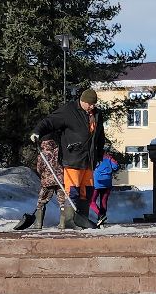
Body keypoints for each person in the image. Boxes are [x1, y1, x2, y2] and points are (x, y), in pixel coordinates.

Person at [20, 88, 104, 230]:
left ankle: (83, 219)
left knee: (87, 191)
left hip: (89, 160)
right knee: (73, 190)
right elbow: (50, 121)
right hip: (73, 158)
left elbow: (100, 135)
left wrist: (100, 154)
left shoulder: (96, 114)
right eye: (90, 104)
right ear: (83, 101)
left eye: (94, 104)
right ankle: (70, 220)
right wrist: (37, 132)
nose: (92, 107)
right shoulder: (69, 111)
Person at [90, 151, 120, 226]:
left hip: (97, 183)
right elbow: (115, 167)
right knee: (103, 201)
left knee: (91, 201)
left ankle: (101, 216)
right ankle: (101, 219)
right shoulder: (109, 158)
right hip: (107, 183)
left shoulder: (94, 158)